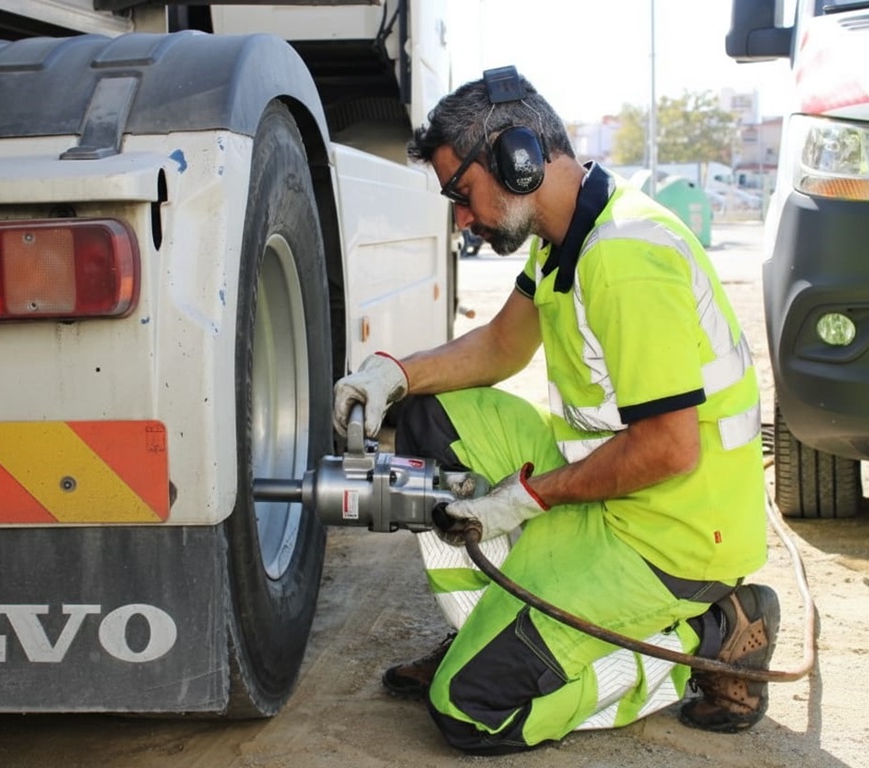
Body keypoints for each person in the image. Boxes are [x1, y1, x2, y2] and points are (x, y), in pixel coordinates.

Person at [332, 66, 780, 754]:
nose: (460, 216)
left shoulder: (626, 256)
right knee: (429, 415)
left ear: (517, 161)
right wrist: (394, 375)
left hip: (675, 534)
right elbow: (502, 344)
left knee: (469, 709)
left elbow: (667, 448)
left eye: (461, 192)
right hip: (609, 494)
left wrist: (525, 499)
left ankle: (712, 634)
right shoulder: (563, 239)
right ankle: (487, 629)